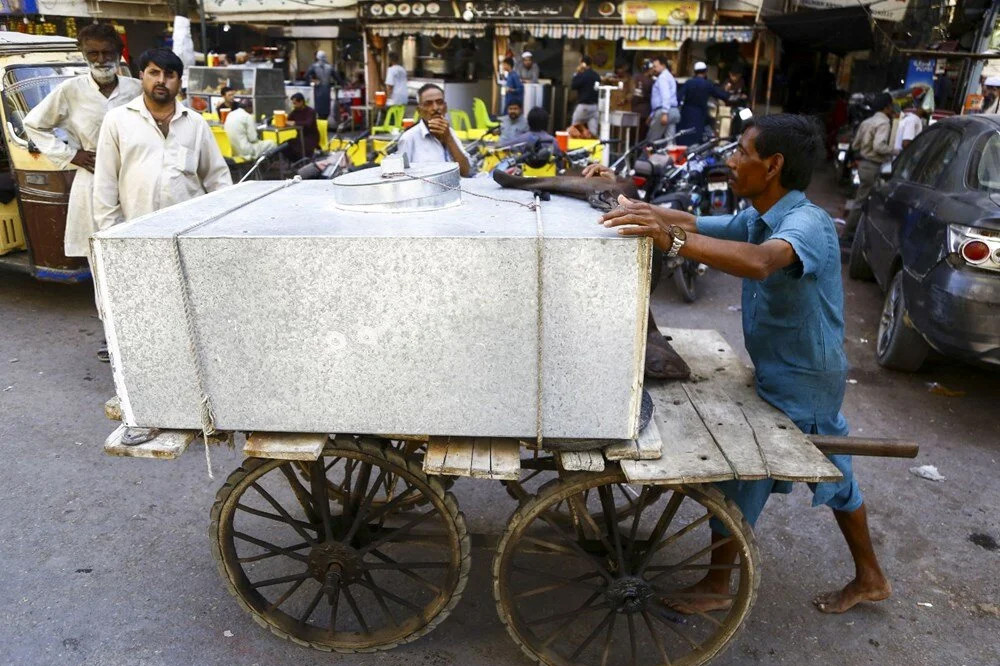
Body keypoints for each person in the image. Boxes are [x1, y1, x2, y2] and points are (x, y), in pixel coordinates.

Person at [600, 113, 891, 615]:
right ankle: (869, 576)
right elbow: (692, 223)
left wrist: (667, 239)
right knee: (825, 474)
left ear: (774, 165)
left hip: (807, 379)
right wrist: (640, 208)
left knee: (749, 475)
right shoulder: (759, 215)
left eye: (741, 152)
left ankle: (719, 584)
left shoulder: (806, 224)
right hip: (783, 371)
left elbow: (759, 261)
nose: (731, 161)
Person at [23, 22, 141, 362]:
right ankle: (112, 337)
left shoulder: (136, 88)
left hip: (134, 182)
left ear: (119, 54)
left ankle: (143, 330)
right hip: (92, 186)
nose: (101, 59)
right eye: (93, 53)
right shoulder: (71, 90)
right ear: (84, 55)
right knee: (101, 263)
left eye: (107, 52)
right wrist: (71, 155)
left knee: (137, 257)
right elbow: (35, 124)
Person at [93, 48, 232, 232]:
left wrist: (222, 224)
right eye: (154, 73)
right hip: (136, 229)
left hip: (190, 229)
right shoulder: (117, 120)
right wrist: (112, 231)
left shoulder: (195, 123)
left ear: (179, 82)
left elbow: (217, 178)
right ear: (142, 76)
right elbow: (105, 182)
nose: (161, 80)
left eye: (169, 75)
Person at [843, 92, 894, 239]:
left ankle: (853, 233)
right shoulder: (884, 123)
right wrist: (894, 150)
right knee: (863, 202)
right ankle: (848, 234)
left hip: (863, 165)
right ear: (887, 107)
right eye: (891, 106)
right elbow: (879, 146)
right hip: (873, 166)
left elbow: (855, 144)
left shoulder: (867, 122)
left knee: (862, 199)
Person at [395, 83, 471, 177]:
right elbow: (399, 177)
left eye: (439, 102)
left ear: (445, 108)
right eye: (428, 104)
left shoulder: (450, 133)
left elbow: (465, 172)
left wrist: (448, 138)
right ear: (419, 110)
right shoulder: (409, 138)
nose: (435, 108)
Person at [675, 61, 730, 146]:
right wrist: (727, 91)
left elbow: (678, 97)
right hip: (700, 114)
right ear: (705, 72)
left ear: (695, 72)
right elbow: (721, 95)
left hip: (686, 113)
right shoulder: (708, 84)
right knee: (696, 137)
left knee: (685, 136)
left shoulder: (689, 83)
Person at [646, 55, 680, 143]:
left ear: (663, 65)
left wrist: (664, 113)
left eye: (655, 66)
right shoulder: (669, 76)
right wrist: (651, 115)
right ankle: (672, 156)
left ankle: (645, 157)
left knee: (652, 140)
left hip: (664, 111)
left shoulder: (663, 78)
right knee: (670, 140)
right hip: (673, 111)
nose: (654, 69)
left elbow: (665, 96)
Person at [570, 55, 601, 137]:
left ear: (583, 64)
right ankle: (593, 147)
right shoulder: (596, 75)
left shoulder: (582, 75)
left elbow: (573, 85)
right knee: (593, 132)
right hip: (594, 107)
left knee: (574, 128)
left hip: (584, 106)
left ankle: (574, 148)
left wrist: (577, 73)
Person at [306, 50, 340, 120]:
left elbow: (306, 76)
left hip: (318, 90)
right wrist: (344, 84)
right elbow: (338, 78)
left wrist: (313, 81)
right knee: (326, 110)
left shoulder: (313, 66)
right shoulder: (330, 67)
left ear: (317, 57)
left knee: (319, 109)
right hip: (327, 90)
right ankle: (324, 124)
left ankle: (321, 125)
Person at [286, 92, 320, 160]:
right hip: (299, 136)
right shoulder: (295, 111)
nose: (294, 105)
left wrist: (295, 123)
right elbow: (288, 120)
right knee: (286, 144)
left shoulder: (310, 111)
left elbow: (308, 123)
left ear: (301, 102)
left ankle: (303, 160)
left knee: (297, 146)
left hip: (311, 137)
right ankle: (293, 161)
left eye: (295, 103)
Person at [631, 61, 654, 138]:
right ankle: (640, 148)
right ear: (649, 70)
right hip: (645, 111)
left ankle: (633, 147)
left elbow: (633, 93)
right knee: (642, 132)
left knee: (634, 131)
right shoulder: (650, 81)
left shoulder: (636, 78)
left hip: (634, 109)